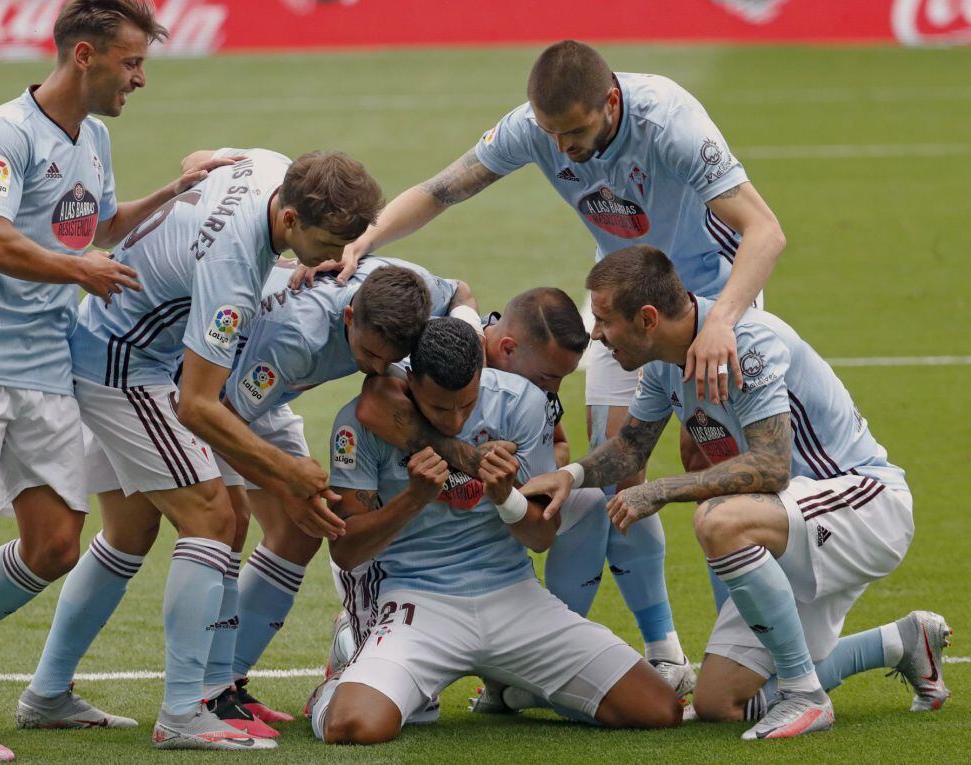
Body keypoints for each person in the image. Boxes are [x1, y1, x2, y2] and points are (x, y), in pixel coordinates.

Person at [300, 39, 789, 684]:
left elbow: (765, 230)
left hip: (706, 312)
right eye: (553, 135)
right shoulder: (534, 128)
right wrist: (365, 240)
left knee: (724, 477)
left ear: (610, 101)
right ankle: (659, 648)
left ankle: (747, 663)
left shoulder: (670, 121)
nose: (563, 149)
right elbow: (442, 189)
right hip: (622, 312)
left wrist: (721, 322)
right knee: (613, 479)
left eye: (577, 133)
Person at [0, 1, 232, 759]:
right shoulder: (5, 132)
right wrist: (77, 270)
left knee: (54, 544)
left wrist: (177, 191)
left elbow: (99, 225)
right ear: (84, 55)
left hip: (48, 365)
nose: (140, 79)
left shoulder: (97, 137)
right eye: (131, 63)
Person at [12, 149, 383, 751]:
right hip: (124, 364)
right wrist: (290, 474)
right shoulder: (233, 270)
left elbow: (201, 160)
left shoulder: (269, 165)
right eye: (325, 243)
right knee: (213, 517)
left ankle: (48, 693)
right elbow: (198, 405)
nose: (335, 259)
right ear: (289, 219)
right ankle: (185, 711)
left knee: (135, 533)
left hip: (114, 338)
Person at [523, 245, 949, 740]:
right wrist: (570, 476)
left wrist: (659, 491)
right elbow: (631, 448)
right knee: (720, 702)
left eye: (603, 320)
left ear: (647, 318)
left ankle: (806, 698)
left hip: (864, 504)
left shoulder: (748, 342)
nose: (596, 334)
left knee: (718, 519)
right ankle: (901, 642)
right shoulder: (663, 362)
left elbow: (770, 466)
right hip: (791, 526)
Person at [307, 318, 682, 744]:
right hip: (416, 600)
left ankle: (524, 685)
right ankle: (335, 685)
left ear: (482, 375)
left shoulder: (521, 402)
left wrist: (507, 497)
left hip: (513, 595)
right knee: (354, 727)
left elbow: (541, 537)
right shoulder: (360, 424)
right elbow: (345, 552)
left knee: (658, 708)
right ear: (410, 382)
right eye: (439, 409)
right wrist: (412, 498)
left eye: (466, 406)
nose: (454, 420)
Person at [216, 257, 470, 721]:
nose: (377, 368)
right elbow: (220, 421)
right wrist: (288, 484)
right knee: (220, 524)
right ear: (350, 316)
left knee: (305, 529)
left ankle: (229, 681)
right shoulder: (298, 339)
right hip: (205, 388)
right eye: (370, 354)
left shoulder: (412, 290)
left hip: (258, 397)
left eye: (390, 359)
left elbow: (462, 293)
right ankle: (203, 691)